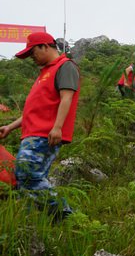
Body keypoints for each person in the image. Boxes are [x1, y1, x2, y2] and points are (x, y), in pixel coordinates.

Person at [0, 32, 80, 220]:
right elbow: (33, 110)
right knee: (26, 177)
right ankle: (47, 218)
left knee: (28, 175)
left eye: (33, 52)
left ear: (45, 46)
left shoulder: (65, 66)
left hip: (45, 134)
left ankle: (66, 216)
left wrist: (58, 127)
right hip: (32, 133)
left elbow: (66, 98)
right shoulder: (45, 73)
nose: (32, 58)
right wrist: (10, 127)